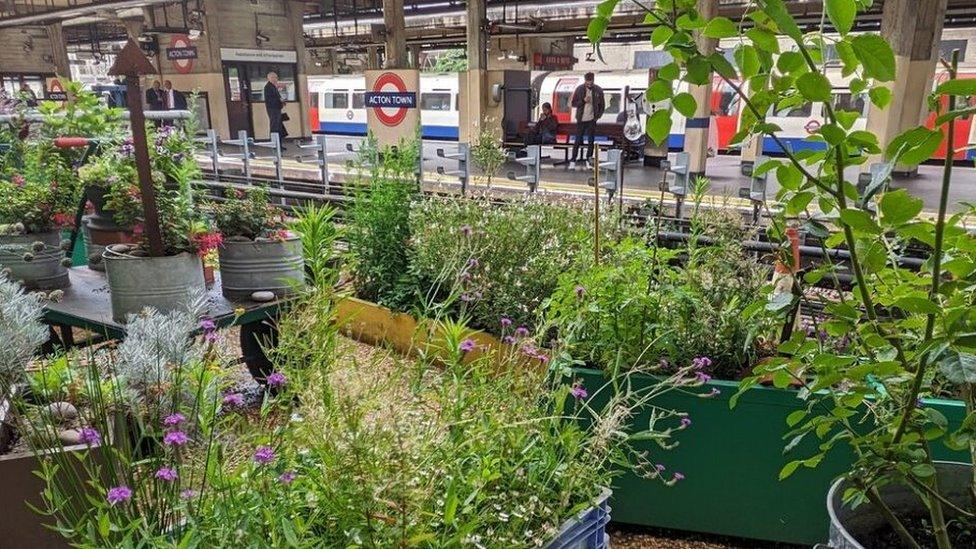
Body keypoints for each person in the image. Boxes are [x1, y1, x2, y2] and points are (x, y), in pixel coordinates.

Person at [569, 72, 605, 169]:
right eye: (587, 82)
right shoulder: (579, 89)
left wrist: (598, 116)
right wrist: (583, 101)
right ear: (585, 81)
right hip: (581, 119)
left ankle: (588, 161)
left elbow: (602, 105)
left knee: (591, 141)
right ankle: (573, 160)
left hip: (592, 119)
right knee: (577, 140)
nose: (589, 84)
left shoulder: (598, 90)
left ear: (593, 81)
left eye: (591, 82)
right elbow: (573, 104)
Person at [264, 72, 287, 144]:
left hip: (277, 108)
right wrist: (280, 101)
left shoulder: (274, 86)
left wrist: (282, 101)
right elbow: (271, 99)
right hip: (273, 109)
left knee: (279, 127)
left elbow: (278, 96)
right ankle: (275, 144)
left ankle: (279, 143)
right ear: (269, 78)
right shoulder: (268, 87)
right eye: (273, 77)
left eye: (276, 77)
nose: (275, 79)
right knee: (274, 126)